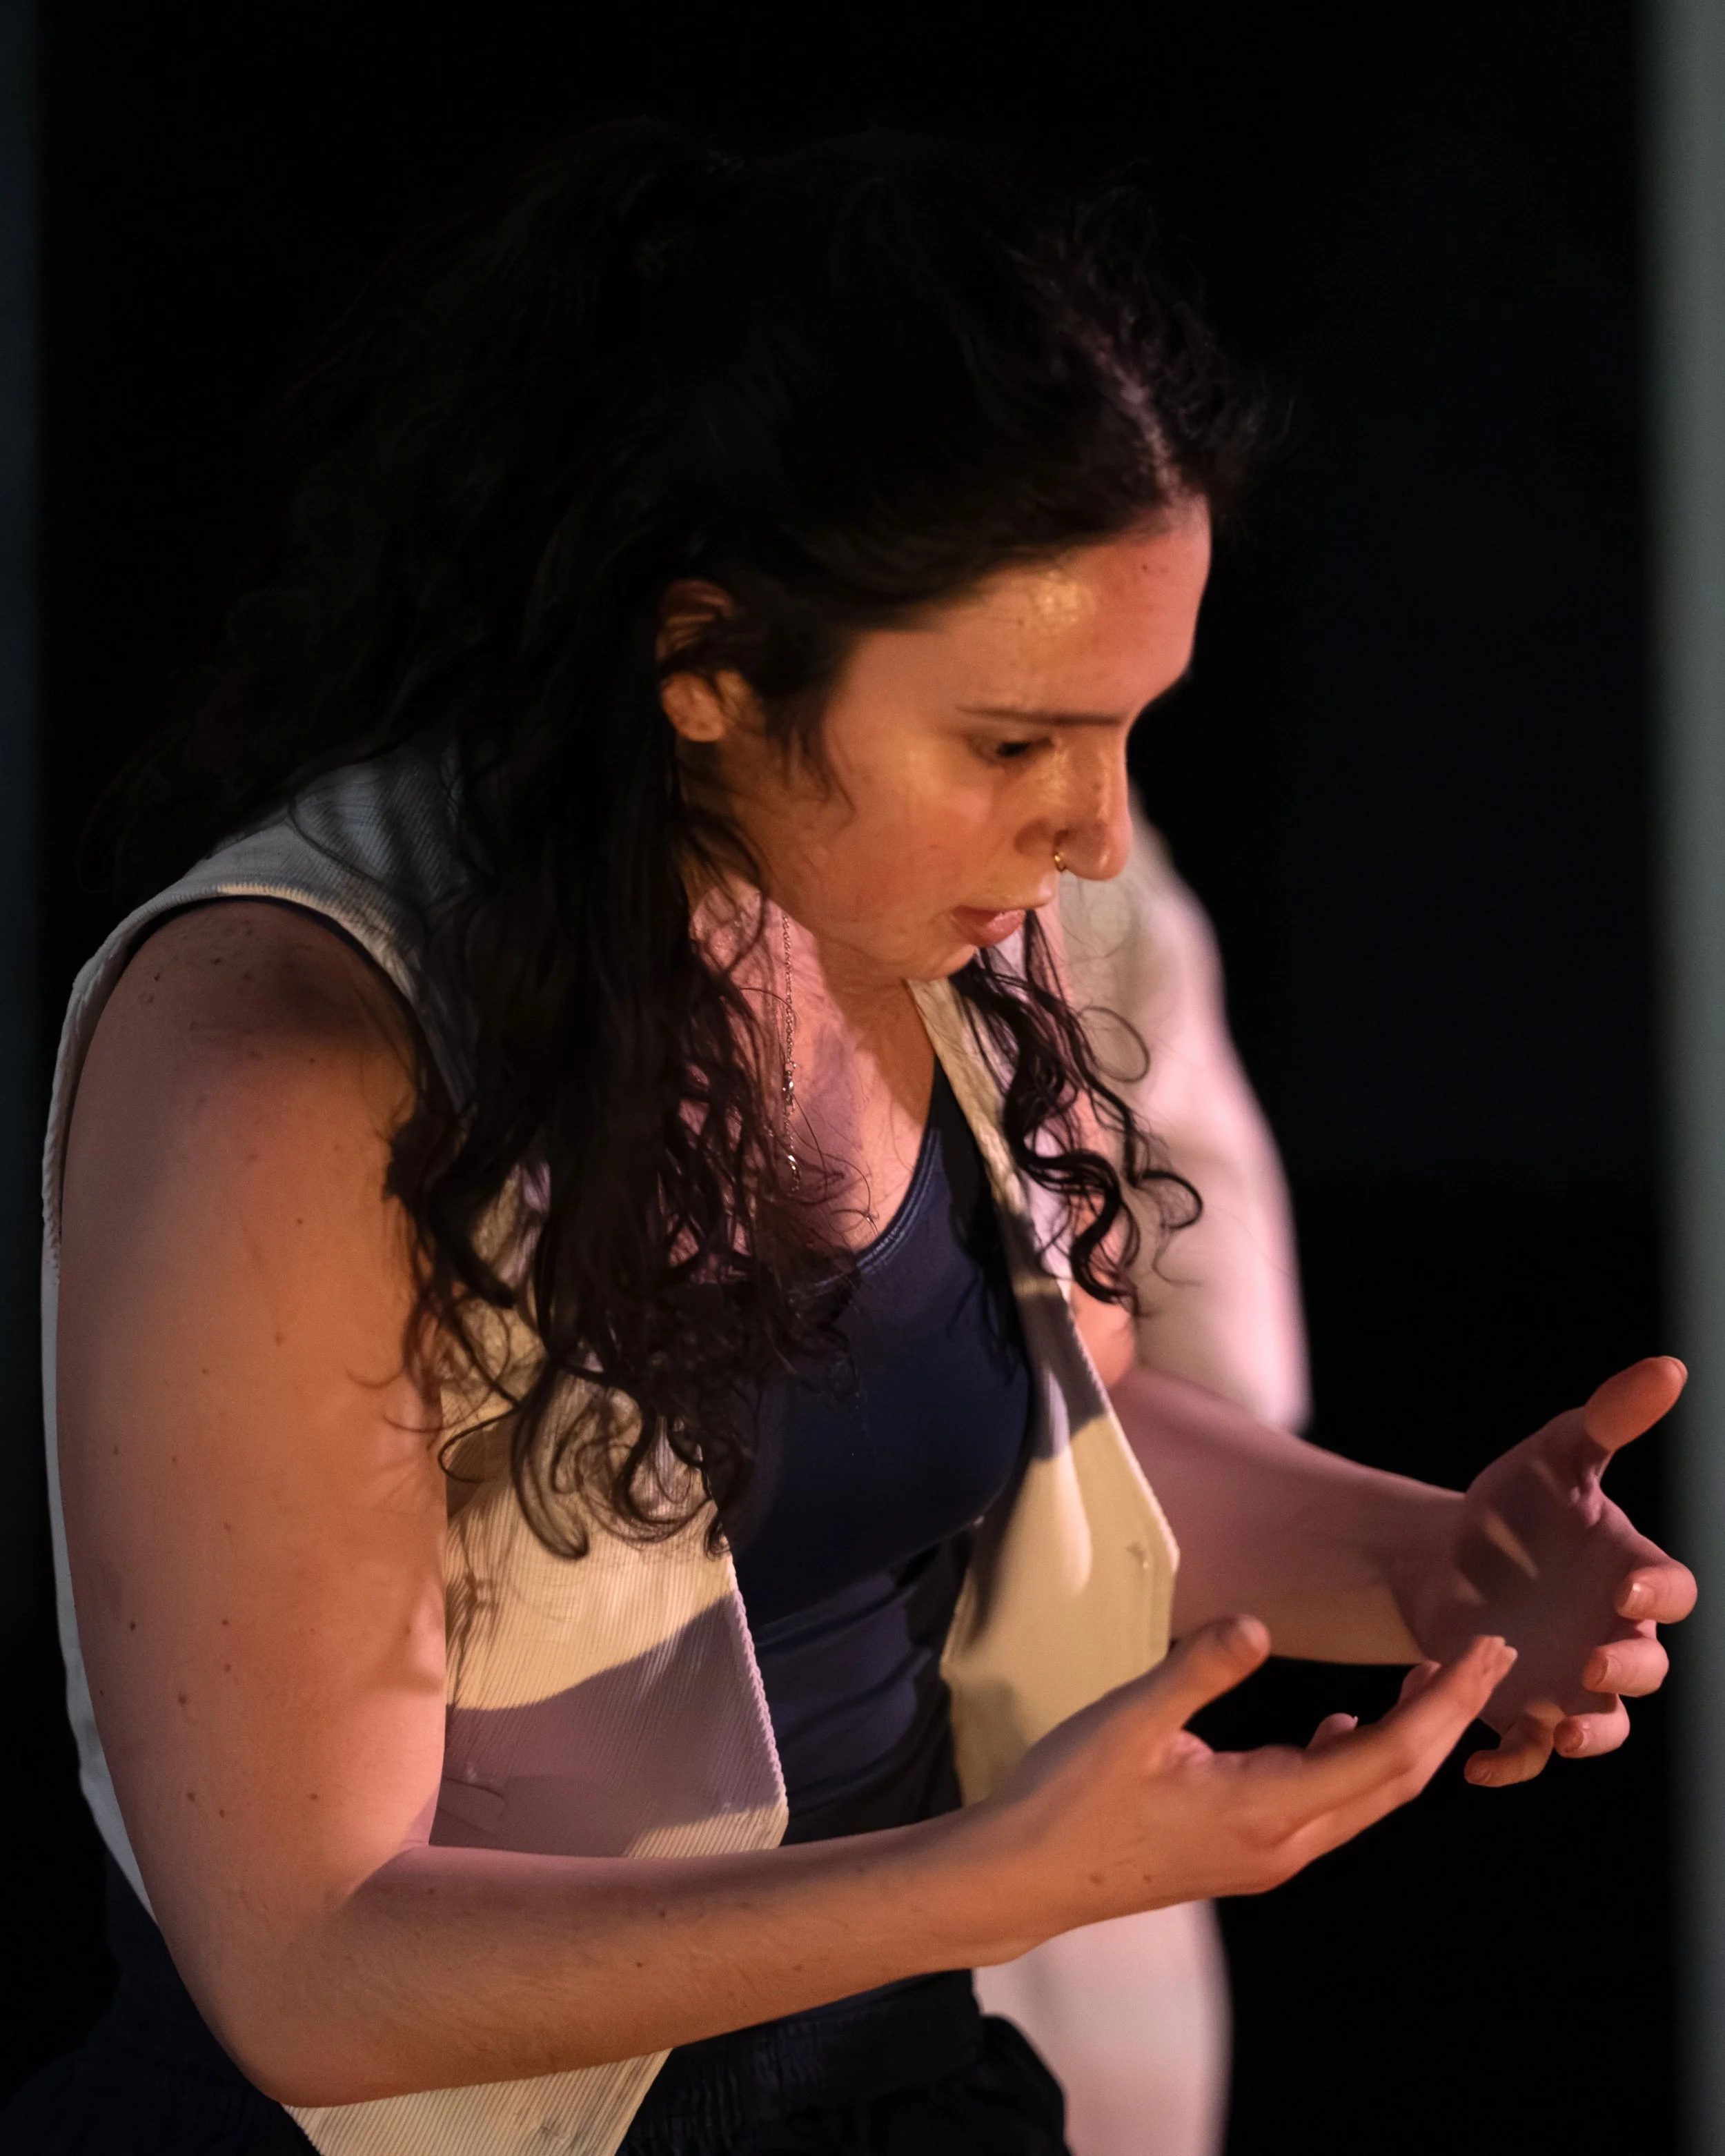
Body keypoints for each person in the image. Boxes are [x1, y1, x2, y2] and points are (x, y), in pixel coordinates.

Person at [7, 123, 1693, 2156]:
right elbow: (309, 1968)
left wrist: (1433, 1562)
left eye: (1130, 728)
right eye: (1014, 740)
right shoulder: (284, 1055)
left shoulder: (912, 911)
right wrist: (992, 1884)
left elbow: (1044, 1437)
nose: (1095, 832)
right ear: (703, 666)